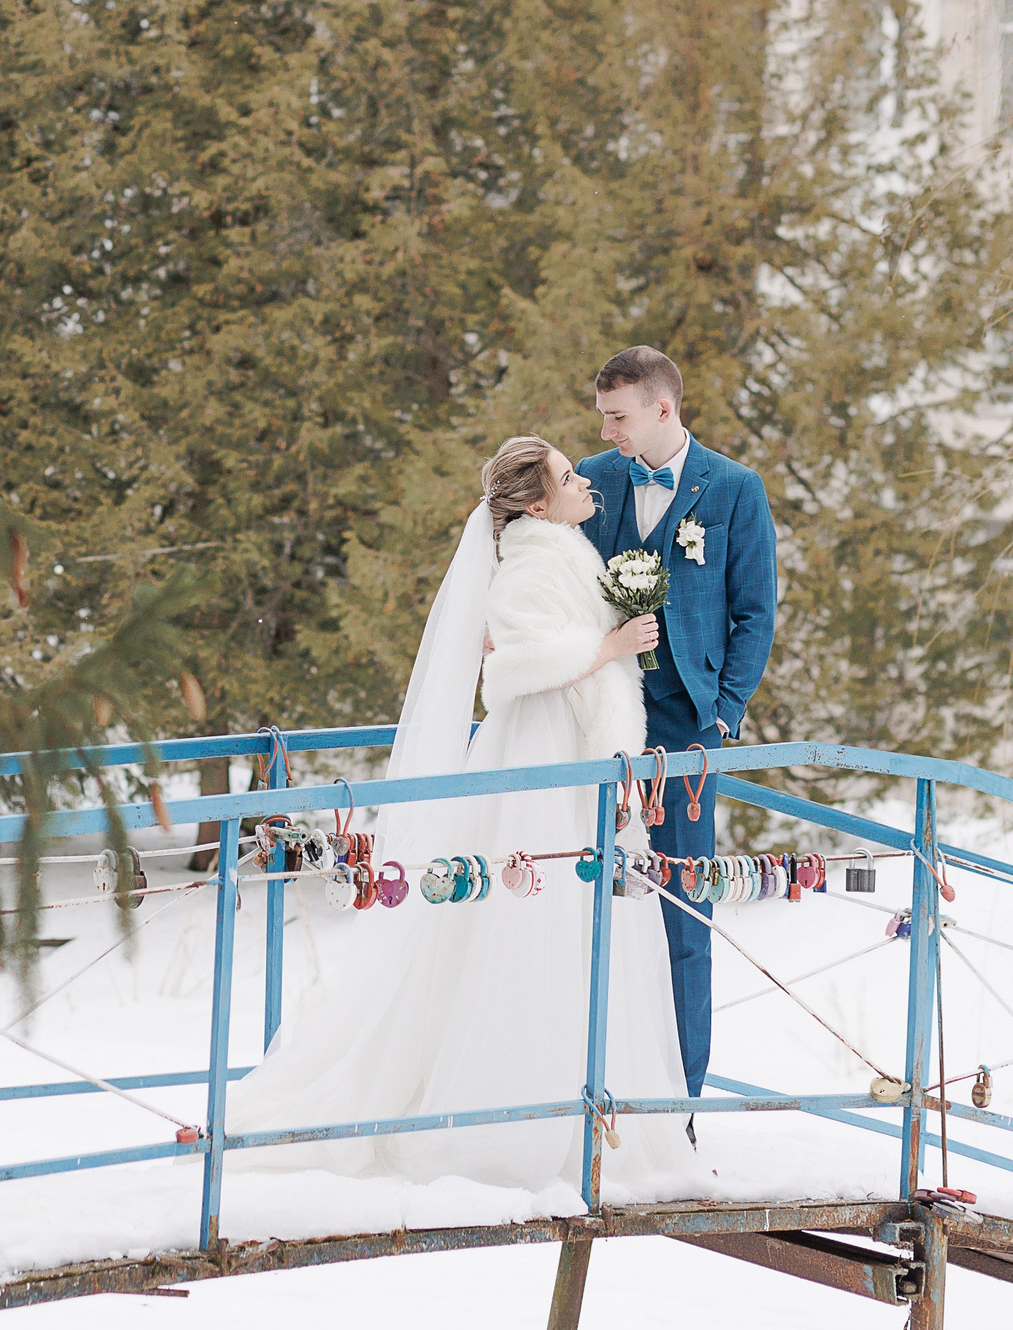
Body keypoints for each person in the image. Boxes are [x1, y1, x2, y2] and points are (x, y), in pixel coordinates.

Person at [226, 436, 696, 1193]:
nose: (585, 483)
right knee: (536, 911)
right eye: (569, 477)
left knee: (579, 916)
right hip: (540, 759)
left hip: (576, 753)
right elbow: (513, 665)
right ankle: (522, 1112)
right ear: (538, 503)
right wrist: (609, 644)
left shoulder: (561, 548)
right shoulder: (535, 561)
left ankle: (588, 1102)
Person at [575, 348, 776, 1111]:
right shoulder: (592, 476)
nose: (607, 428)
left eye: (618, 414)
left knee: (684, 912)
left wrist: (723, 714)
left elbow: (754, 611)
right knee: (587, 893)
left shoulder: (734, 489)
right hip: (596, 720)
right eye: (603, 415)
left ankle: (680, 1102)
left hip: (689, 728)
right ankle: (593, 1085)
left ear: (664, 409)